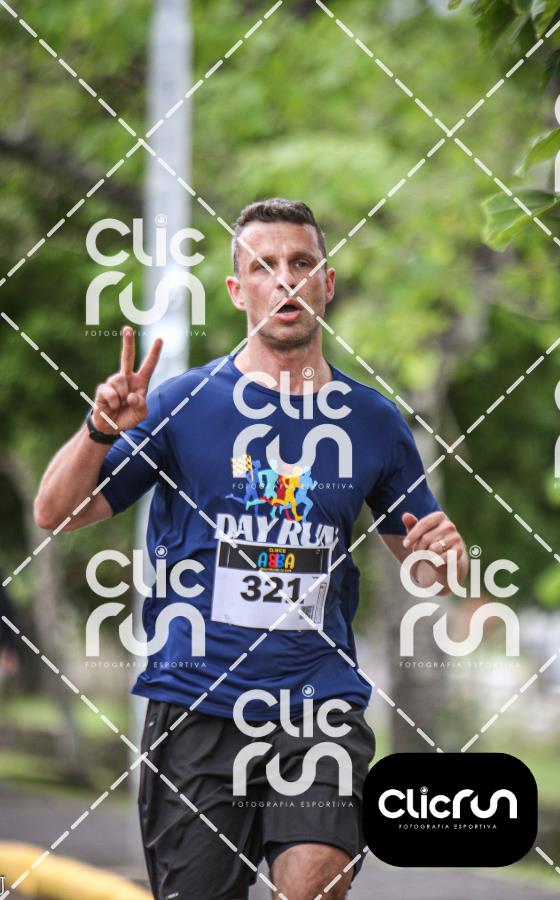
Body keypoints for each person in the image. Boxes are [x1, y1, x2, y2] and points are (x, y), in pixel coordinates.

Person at [34, 198, 468, 900]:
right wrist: (99, 430)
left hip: (317, 705)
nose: (285, 280)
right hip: (196, 706)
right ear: (238, 291)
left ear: (327, 283)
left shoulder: (372, 421)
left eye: (302, 263)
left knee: (316, 882)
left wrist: (446, 555)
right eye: (264, 267)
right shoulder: (182, 404)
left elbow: (431, 568)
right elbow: (56, 511)